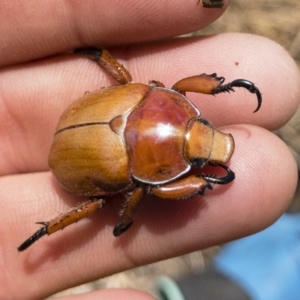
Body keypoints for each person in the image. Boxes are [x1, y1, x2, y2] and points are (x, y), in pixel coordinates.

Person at [0, 1, 299, 299]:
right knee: (103, 202)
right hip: (76, 154)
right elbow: (151, 191)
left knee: (128, 184)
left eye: (199, 124)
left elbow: (174, 94)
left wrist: (201, 181)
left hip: (82, 120)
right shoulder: (147, 150)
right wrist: (200, 181)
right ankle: (49, 228)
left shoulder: (151, 95)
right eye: (201, 124)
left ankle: (47, 230)